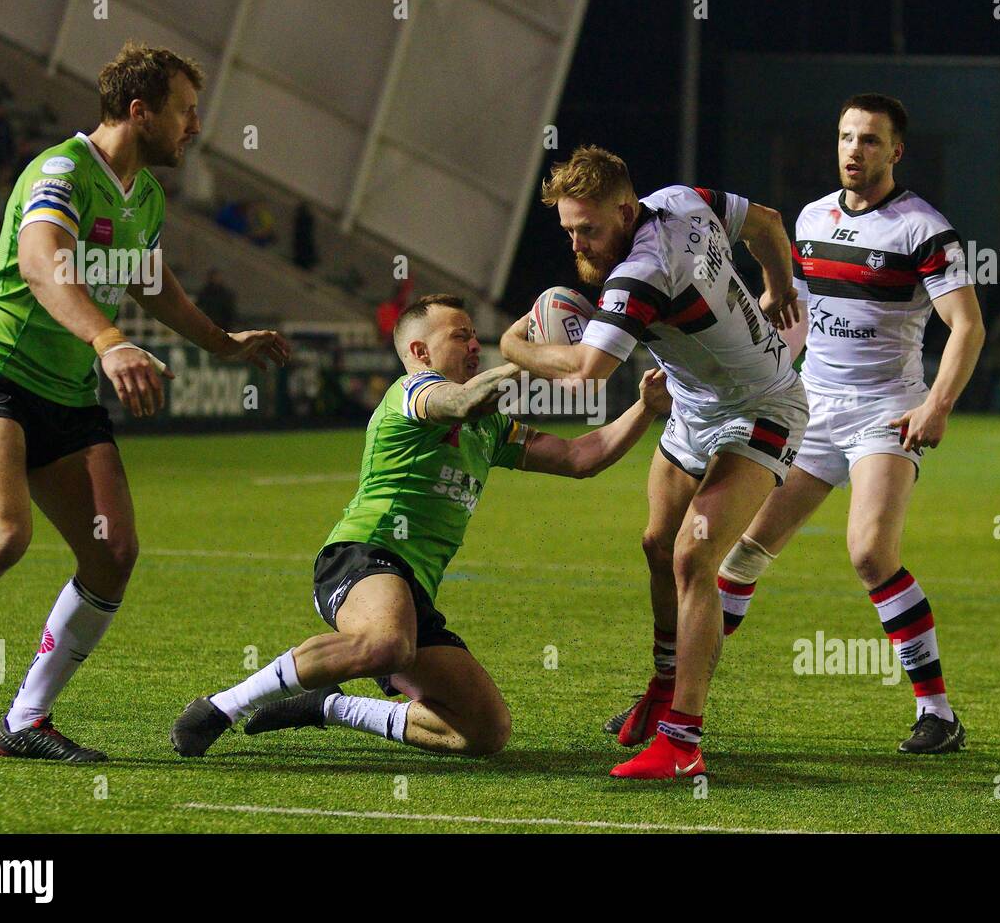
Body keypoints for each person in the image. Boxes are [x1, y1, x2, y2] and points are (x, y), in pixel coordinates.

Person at [0, 41, 291, 762]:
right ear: (139, 110)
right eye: (184, 111)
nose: (194, 127)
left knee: (112, 552)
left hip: (68, 396)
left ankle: (25, 721)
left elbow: (151, 281)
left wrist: (219, 342)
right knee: (0, 537)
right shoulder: (60, 169)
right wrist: (110, 340)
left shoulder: (144, 194)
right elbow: (42, 265)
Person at [170, 293, 671, 759]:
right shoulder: (415, 392)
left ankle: (327, 706)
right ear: (419, 350)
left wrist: (645, 409)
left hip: (412, 592)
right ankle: (222, 706)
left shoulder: (491, 425)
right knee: (388, 643)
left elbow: (578, 457)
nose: (475, 343)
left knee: (483, 731)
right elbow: (463, 402)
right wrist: (529, 354)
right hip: (364, 555)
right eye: (460, 335)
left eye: (475, 334)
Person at [659, 94, 985, 754]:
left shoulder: (923, 229)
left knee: (869, 552)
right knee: (742, 551)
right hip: (812, 408)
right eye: (845, 137)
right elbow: (793, 320)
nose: (854, 150)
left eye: (869, 139)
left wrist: (937, 405)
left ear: (896, 150)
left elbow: (968, 326)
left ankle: (939, 713)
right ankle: (673, 704)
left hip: (884, 413)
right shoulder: (810, 221)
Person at [499, 146, 807, 779]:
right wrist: (776, 287)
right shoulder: (682, 199)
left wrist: (510, 342)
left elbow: (585, 372)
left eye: (588, 229)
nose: (578, 244)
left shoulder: (640, 273)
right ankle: (665, 685)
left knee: (694, 555)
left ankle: (682, 742)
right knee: (655, 541)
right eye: (568, 230)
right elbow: (770, 223)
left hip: (763, 407)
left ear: (624, 209)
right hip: (693, 403)